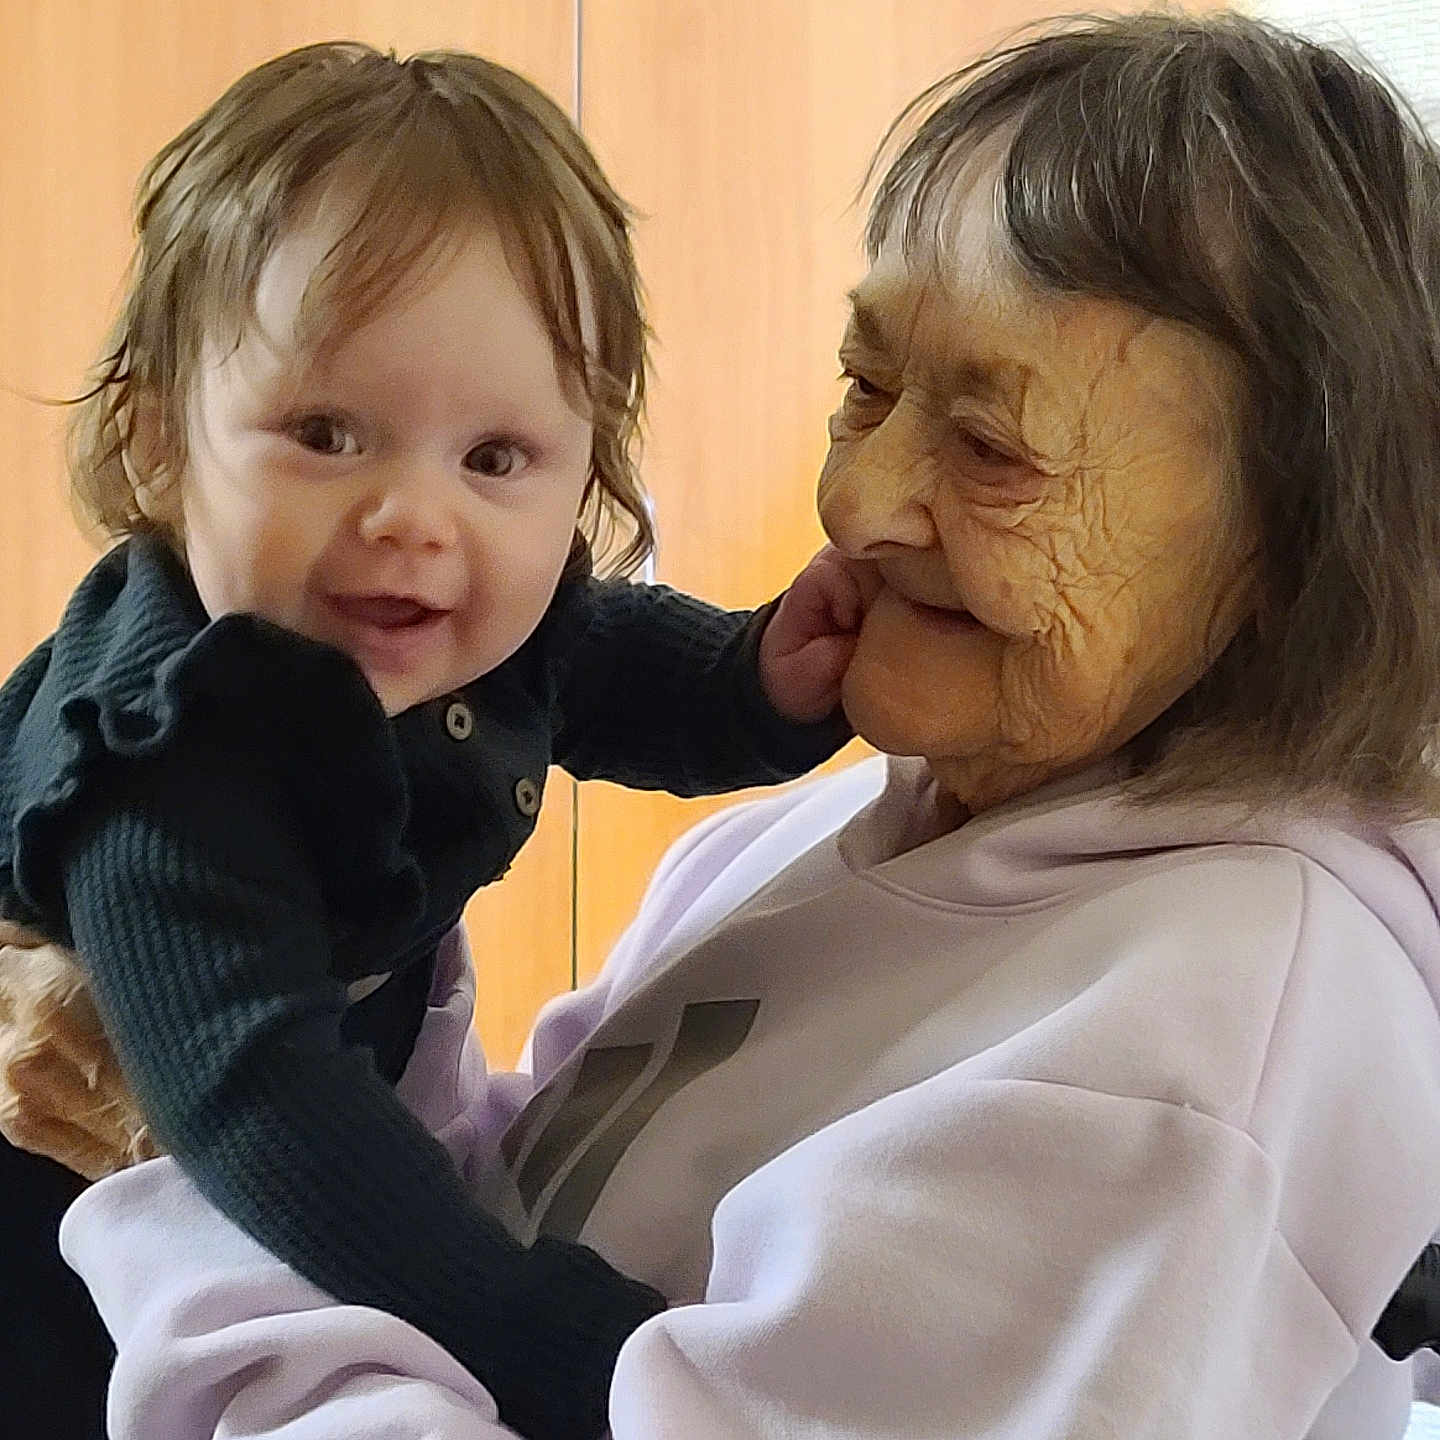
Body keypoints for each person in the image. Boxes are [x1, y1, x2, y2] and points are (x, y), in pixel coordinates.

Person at [6, 9, 1440, 1437]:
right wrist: (305, 1013)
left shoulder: (1194, 1061)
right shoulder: (828, 833)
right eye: (864, 386)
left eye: (993, 451)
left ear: (1295, 552)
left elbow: (595, 665)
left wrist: (184, 1173)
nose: (863, 506)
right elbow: (516, 1207)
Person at [0, 42, 863, 1440]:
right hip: (78, 1271)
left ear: (587, 465)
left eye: (495, 459)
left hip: (276, 1171)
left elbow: (610, 662)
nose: (416, 515)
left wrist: (763, 676)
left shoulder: (468, 617)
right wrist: (548, 1333)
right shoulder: (168, 770)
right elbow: (273, 1124)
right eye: (326, 432)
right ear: (160, 439)